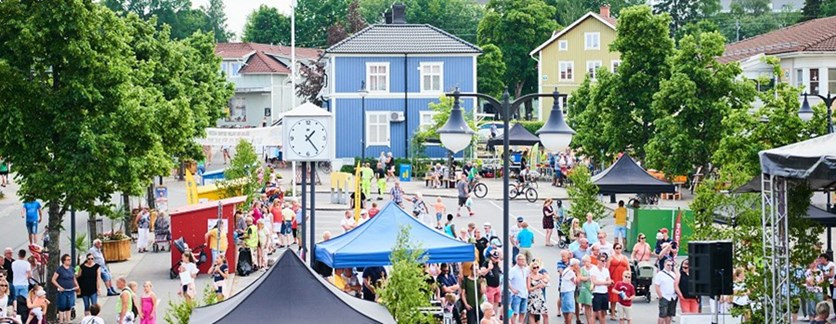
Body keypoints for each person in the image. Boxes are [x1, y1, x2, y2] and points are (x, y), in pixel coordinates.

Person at [51, 254, 78, 324]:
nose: (69, 261)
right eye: (68, 260)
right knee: (62, 306)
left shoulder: (72, 268)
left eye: (70, 259)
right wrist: (59, 287)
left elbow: (73, 278)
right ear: (64, 261)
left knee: (69, 306)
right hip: (63, 291)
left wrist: (77, 285)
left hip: (71, 290)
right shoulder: (59, 269)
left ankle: (68, 321)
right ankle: (61, 321)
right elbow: (53, 279)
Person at [608, 243, 629, 320]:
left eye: (620, 248)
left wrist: (629, 279)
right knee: (613, 298)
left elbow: (628, 269)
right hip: (614, 279)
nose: (618, 249)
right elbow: (607, 269)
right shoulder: (611, 258)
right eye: (617, 248)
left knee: (624, 298)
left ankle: (623, 314)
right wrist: (609, 279)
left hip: (623, 280)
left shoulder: (625, 257)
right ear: (614, 249)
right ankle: (612, 314)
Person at [654, 259, 677, 324]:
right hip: (664, 296)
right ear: (664, 265)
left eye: (671, 265)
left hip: (673, 297)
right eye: (668, 265)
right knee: (662, 314)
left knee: (669, 314)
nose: (670, 266)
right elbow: (657, 285)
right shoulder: (660, 274)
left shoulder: (673, 274)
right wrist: (660, 296)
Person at [590, 254, 612, 324]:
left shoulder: (606, 270)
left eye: (605, 261)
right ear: (598, 261)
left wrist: (603, 282)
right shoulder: (593, 270)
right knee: (595, 312)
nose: (604, 262)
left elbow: (609, 282)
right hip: (597, 293)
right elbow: (595, 282)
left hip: (604, 293)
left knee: (603, 312)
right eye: (602, 261)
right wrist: (605, 282)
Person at [509, 254, 529, 324]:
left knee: (523, 312)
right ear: (517, 260)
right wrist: (512, 289)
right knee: (515, 312)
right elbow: (507, 280)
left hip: (524, 293)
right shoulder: (513, 270)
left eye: (524, 259)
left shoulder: (525, 269)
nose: (523, 261)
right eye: (521, 259)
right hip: (516, 294)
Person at [560, 259, 579, 324]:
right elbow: (577, 282)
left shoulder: (566, 270)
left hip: (563, 291)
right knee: (571, 310)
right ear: (575, 265)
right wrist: (578, 272)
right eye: (577, 265)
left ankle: (566, 322)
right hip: (569, 291)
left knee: (565, 310)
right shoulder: (571, 272)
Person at [578, 256, 595, 324]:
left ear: (590, 260)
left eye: (586, 261)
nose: (585, 263)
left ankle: (592, 320)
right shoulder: (582, 269)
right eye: (584, 261)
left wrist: (588, 279)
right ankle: (589, 321)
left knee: (592, 305)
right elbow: (580, 278)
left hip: (593, 288)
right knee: (587, 305)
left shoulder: (594, 268)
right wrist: (588, 278)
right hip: (585, 289)